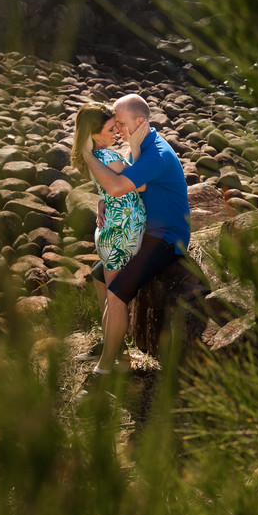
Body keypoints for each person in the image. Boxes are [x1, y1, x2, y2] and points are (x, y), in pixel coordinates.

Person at [79, 93, 191, 379]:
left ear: (140, 122)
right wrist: (104, 201)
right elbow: (119, 187)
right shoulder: (142, 146)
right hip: (144, 230)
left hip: (166, 238)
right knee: (98, 276)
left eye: (120, 123)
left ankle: (103, 371)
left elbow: (117, 185)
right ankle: (110, 342)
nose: (117, 128)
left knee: (117, 295)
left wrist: (87, 155)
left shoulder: (158, 154)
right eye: (113, 124)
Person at [69, 102, 147, 376]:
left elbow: (110, 188)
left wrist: (103, 201)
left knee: (105, 286)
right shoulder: (108, 156)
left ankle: (115, 351)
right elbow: (141, 183)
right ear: (94, 132)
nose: (116, 130)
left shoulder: (94, 156)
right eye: (111, 127)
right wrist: (135, 147)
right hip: (121, 232)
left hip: (110, 230)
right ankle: (107, 365)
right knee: (116, 301)